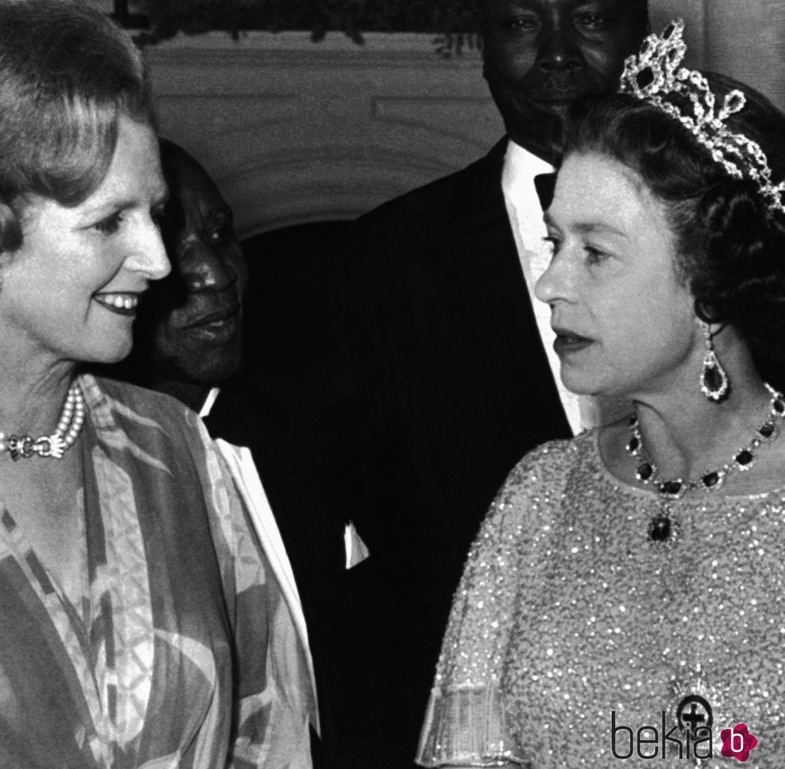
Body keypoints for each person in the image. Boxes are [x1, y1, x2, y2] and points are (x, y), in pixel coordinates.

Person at [0, 2, 311, 768]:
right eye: (110, 222)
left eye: (158, 213)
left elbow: (269, 732)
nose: (160, 259)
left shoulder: (177, 448)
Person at [417, 20, 785, 766]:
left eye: (597, 250)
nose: (552, 283)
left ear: (709, 281)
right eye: (555, 242)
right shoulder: (541, 495)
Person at [325, 0, 650, 751]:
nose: (559, 54)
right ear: (481, 46)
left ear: (644, 37)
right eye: (521, 24)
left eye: (592, 18)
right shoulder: (384, 262)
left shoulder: (728, 238)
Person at [109, 140, 397, 768]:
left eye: (221, 235)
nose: (218, 274)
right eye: (178, 248)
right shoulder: (76, 472)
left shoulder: (323, 429)